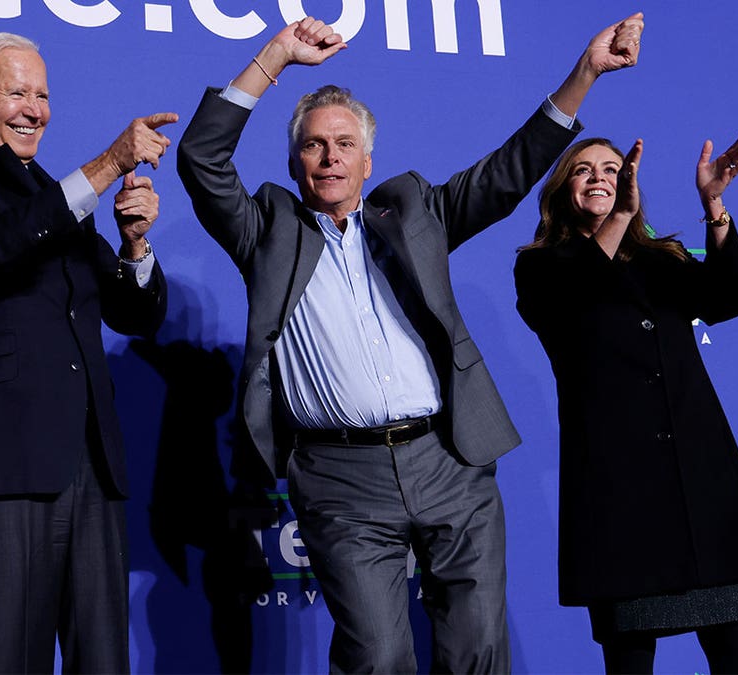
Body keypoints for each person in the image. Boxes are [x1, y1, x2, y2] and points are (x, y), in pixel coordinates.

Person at [177, 12, 645, 673]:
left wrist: (586, 73)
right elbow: (200, 156)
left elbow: (505, 175)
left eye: (344, 144)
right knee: (376, 655)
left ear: (368, 161)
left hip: (448, 458)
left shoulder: (414, 212)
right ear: (294, 162)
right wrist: (277, 54)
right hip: (340, 478)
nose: (330, 155)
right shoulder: (267, 231)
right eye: (314, 145)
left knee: (477, 649)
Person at [0, 32, 171, 673]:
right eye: (17, 92)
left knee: (103, 661)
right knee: (14, 658)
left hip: (87, 459)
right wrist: (106, 165)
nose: (35, 110)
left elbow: (134, 314)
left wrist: (134, 246)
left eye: (42, 95)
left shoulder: (55, 193)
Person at [513, 134, 738, 673]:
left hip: (700, 489)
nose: (599, 178)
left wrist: (714, 206)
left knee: (737, 661)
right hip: (620, 500)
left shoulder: (664, 259)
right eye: (582, 169)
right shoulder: (542, 268)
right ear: (562, 188)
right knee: (631, 665)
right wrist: (621, 218)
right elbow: (582, 292)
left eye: (611, 169)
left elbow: (733, 297)